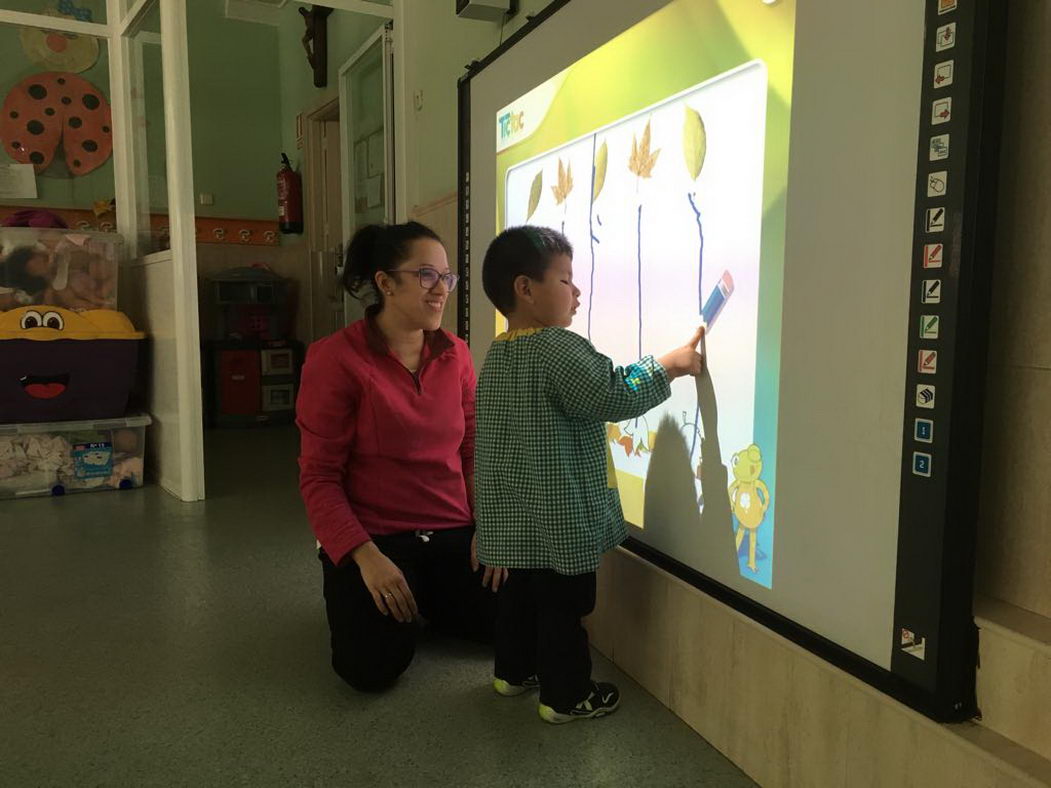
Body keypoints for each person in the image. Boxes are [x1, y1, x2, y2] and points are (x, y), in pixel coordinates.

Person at [475, 226, 704, 723]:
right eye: (566, 279)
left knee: (519, 599)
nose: (577, 292)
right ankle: (567, 696)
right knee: (564, 607)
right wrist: (671, 365)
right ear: (525, 288)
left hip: (515, 518)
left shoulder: (499, 353)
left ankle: (512, 673)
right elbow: (614, 393)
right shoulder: (558, 347)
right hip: (558, 521)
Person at [296, 221, 503, 692]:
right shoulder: (334, 359)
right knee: (369, 668)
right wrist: (361, 555)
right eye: (426, 275)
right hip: (376, 536)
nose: (441, 290)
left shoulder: (457, 354)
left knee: (516, 622)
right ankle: (380, 584)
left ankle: (432, 597)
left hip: (452, 528)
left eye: (447, 278)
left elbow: (472, 447)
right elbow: (319, 477)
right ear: (386, 283)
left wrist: (487, 524)